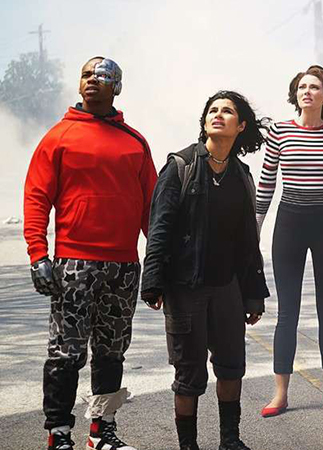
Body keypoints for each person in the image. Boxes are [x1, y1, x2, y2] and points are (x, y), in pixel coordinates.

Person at [24, 56, 157, 450]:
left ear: (117, 86)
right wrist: (38, 254)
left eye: (103, 75)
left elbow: (152, 209)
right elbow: (36, 197)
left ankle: (101, 431)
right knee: (66, 353)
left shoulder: (135, 142)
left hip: (124, 266)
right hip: (74, 264)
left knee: (111, 351)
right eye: (86, 75)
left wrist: (159, 263)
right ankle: (58, 434)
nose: (93, 80)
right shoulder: (59, 137)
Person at [140, 90, 270, 450]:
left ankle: (230, 440)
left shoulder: (241, 175)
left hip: (228, 287)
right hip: (186, 287)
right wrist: (153, 281)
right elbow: (160, 226)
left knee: (232, 367)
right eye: (213, 110)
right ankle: (188, 446)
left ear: (240, 126)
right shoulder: (179, 166)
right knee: (189, 373)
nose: (218, 115)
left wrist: (254, 293)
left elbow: (248, 241)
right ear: (205, 121)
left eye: (227, 111)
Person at [256, 65, 323, 417]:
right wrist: (255, 228)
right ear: (295, 94)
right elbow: (267, 182)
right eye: (302, 87)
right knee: (288, 312)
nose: (307, 92)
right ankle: (280, 394)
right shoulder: (280, 131)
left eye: (314, 87)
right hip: (290, 223)